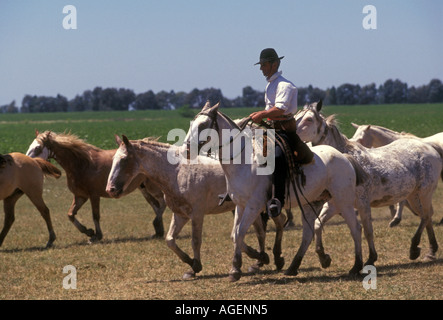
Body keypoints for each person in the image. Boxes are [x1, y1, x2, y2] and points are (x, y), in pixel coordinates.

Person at [250, 48, 314, 217]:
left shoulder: (285, 85)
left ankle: (278, 199)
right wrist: (260, 116)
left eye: (264, 64)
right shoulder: (270, 84)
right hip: (270, 129)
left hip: (285, 130)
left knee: (276, 157)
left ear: (275, 64)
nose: (261, 68)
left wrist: (262, 114)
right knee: (249, 153)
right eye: (261, 65)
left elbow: (280, 109)